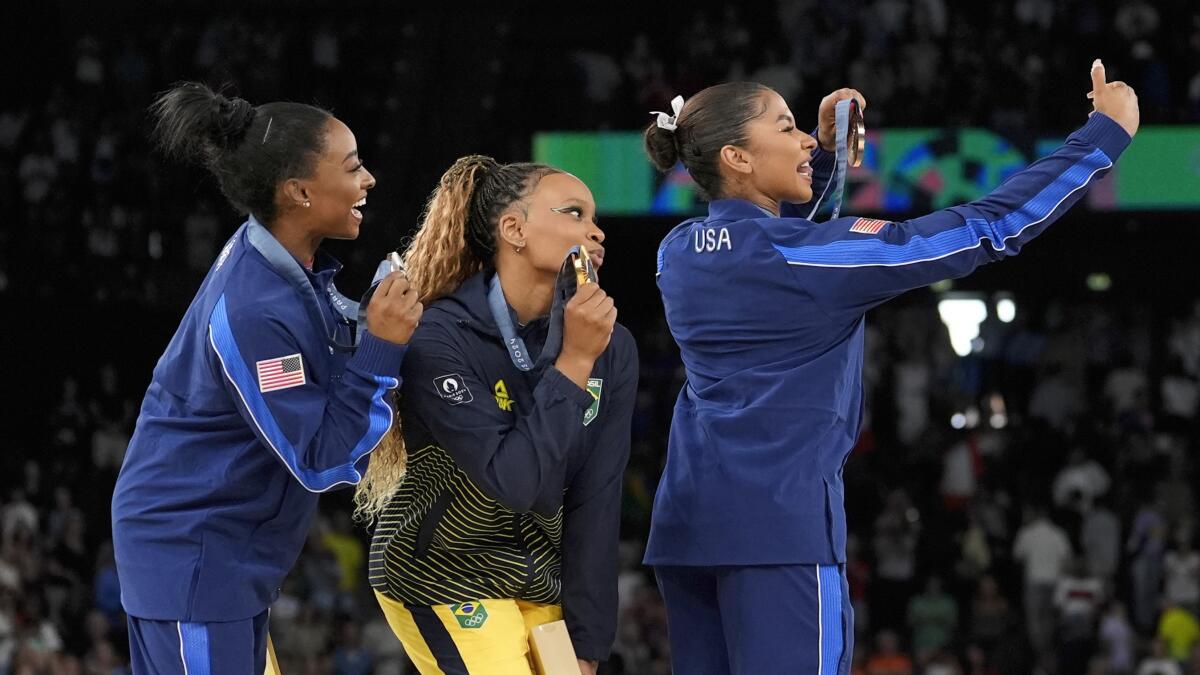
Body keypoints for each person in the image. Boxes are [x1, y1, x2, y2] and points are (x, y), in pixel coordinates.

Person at [643, 59, 1138, 673]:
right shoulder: (803, 262)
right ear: (739, 158)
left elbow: (780, 251)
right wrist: (1101, 139)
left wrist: (820, 160)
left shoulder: (678, 253)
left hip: (687, 529)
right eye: (787, 127)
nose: (803, 137)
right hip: (780, 529)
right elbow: (985, 229)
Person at [111, 82, 421, 674]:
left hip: (220, 554)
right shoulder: (253, 307)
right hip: (193, 555)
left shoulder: (281, 260)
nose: (369, 180)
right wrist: (382, 345)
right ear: (298, 192)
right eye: (353, 167)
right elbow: (318, 457)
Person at [357, 156, 638, 675]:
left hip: (534, 575)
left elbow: (598, 495)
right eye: (575, 213)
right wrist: (574, 361)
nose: (596, 231)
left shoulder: (610, 345)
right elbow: (513, 481)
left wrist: (589, 643)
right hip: (440, 570)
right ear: (514, 229)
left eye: (594, 217)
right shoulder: (439, 335)